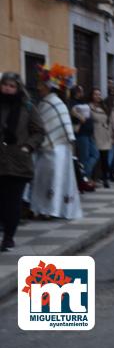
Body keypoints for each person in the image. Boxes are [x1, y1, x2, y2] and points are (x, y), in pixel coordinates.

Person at [29, 64, 82, 219]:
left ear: (48, 86)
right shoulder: (46, 102)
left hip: (55, 149)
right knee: (46, 180)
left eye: (40, 84)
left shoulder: (53, 102)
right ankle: (44, 209)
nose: (38, 88)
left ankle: (50, 210)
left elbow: (59, 127)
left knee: (54, 180)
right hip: (50, 149)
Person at [0, 73, 45, 251]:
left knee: (13, 200)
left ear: (18, 88)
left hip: (18, 160)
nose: (8, 89)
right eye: (5, 85)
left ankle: (8, 237)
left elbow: (39, 131)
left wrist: (28, 146)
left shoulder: (27, 107)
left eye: (12, 86)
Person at [70, 85, 98, 188]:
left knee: (95, 154)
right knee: (84, 158)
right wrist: (80, 118)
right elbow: (73, 114)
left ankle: (84, 176)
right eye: (81, 91)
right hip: (81, 134)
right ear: (76, 93)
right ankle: (85, 180)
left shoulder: (82, 102)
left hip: (89, 133)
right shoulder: (72, 103)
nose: (82, 93)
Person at [89, 88, 112, 188]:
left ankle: (105, 179)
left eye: (99, 94)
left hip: (105, 134)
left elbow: (109, 121)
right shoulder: (89, 107)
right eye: (95, 94)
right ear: (92, 95)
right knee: (96, 158)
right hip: (95, 134)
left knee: (104, 158)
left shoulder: (104, 106)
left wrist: (110, 135)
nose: (97, 96)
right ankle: (94, 179)